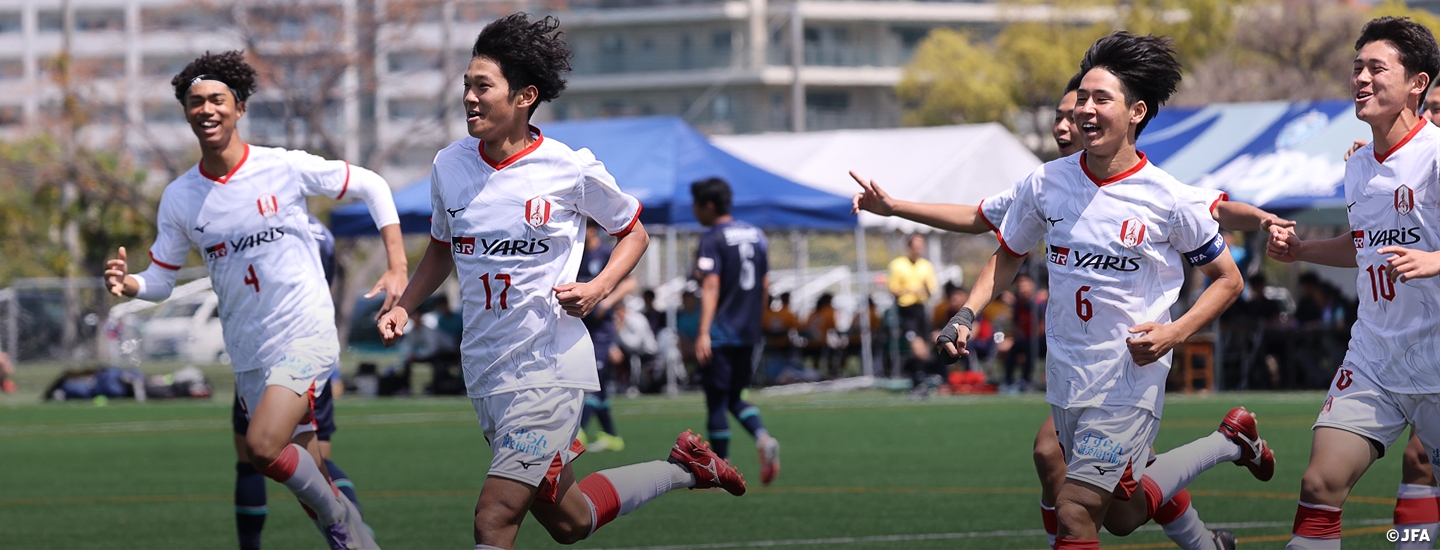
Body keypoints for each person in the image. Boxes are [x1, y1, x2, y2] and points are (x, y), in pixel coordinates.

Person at [854, 67, 1287, 550]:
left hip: (1129, 379)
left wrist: (1176, 330)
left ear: (1136, 112)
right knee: (1121, 515)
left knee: (1075, 507)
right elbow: (1001, 243)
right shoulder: (1044, 183)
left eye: (1098, 100)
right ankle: (1228, 445)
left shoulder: (1165, 195)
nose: (1079, 114)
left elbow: (1225, 262)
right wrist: (966, 313)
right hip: (1067, 376)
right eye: (1078, 101)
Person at [374, 14, 744, 549]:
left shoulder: (567, 167)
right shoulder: (448, 165)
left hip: (548, 370)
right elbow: (441, 248)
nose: (469, 98)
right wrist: (403, 306)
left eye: (483, 86)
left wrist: (598, 288)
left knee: (493, 519)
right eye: (467, 85)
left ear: (525, 96)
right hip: (486, 370)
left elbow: (634, 233)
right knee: (571, 521)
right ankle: (686, 468)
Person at [102, 50, 404, 549]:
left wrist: (397, 265)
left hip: (305, 334)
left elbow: (371, 184)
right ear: (186, 113)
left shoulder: (281, 167)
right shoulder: (179, 197)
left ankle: (341, 520)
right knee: (307, 468)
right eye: (196, 101)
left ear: (239, 108)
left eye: (217, 99)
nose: (206, 108)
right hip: (248, 352)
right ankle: (356, 538)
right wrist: (130, 284)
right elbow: (161, 279)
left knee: (262, 448)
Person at [1265, 17, 1440, 549]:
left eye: (1376, 68)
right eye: (1357, 67)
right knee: (1320, 483)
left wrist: (1436, 260)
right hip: (1374, 358)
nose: (1361, 78)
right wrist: (1303, 250)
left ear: (1417, 83)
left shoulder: (1436, 154)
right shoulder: (1358, 164)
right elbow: (1364, 244)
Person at [231, 215, 368, 550]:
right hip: (310, 353)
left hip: (263, 353)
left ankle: (346, 531)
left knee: (252, 460)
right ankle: (357, 535)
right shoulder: (322, 233)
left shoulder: (253, 224)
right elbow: (326, 289)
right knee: (316, 459)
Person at [692, 177, 784, 485]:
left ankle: (720, 472)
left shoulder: (713, 237)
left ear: (708, 206)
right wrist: (756, 321)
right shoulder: (757, 235)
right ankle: (763, 438)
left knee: (716, 401)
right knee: (734, 396)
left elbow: (711, 284)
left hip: (721, 332)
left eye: (696, 205)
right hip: (748, 331)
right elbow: (765, 284)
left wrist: (703, 331)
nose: (694, 211)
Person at [577, 222, 636, 452]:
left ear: (592, 228)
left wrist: (606, 302)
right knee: (597, 384)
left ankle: (577, 432)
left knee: (591, 379)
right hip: (579, 327)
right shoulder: (575, 254)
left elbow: (630, 282)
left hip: (600, 330)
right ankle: (612, 436)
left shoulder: (605, 253)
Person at [888, 233, 937, 349]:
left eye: (920, 246)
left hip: (921, 309)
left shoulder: (926, 266)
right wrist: (909, 290)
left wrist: (925, 288)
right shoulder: (898, 265)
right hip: (905, 311)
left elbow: (932, 290)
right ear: (909, 247)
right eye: (915, 246)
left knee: (927, 340)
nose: (918, 250)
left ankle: (926, 358)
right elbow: (893, 289)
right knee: (915, 341)